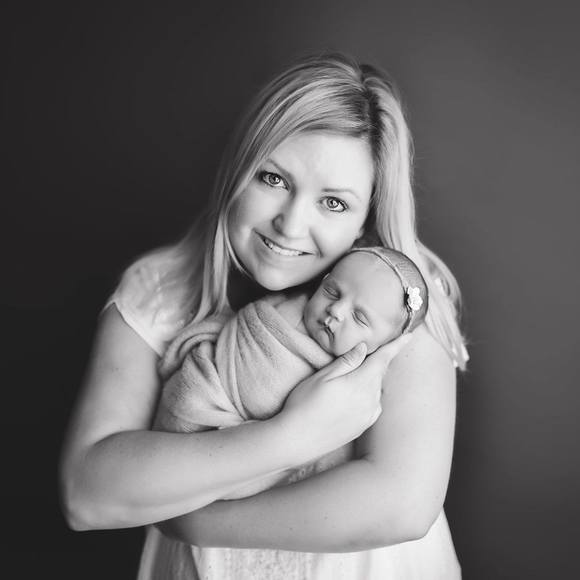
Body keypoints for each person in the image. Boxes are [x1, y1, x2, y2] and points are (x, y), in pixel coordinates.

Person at [60, 50, 468, 580]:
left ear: (366, 221)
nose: (290, 225)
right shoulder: (161, 287)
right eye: (273, 179)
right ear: (238, 170)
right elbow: (87, 495)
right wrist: (292, 435)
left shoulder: (395, 295)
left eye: (334, 203)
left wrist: (194, 520)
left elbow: (402, 504)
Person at [154, 247, 429, 502]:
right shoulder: (283, 309)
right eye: (332, 292)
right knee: (186, 405)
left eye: (359, 318)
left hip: (241, 448)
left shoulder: (357, 381)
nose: (335, 310)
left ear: (383, 345)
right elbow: (246, 339)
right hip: (209, 399)